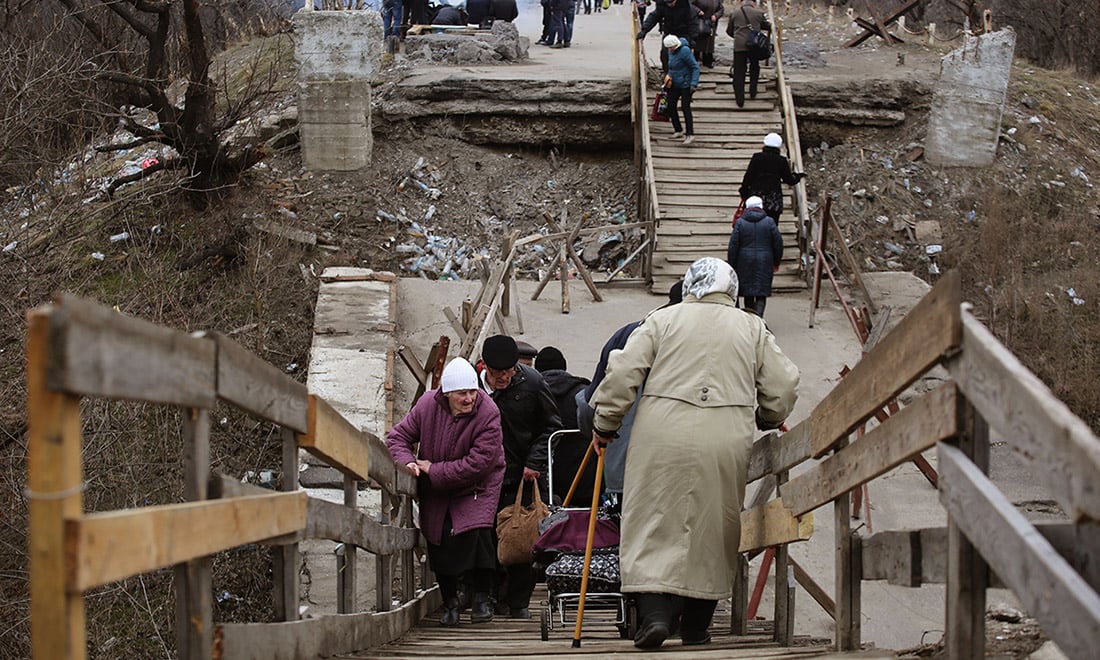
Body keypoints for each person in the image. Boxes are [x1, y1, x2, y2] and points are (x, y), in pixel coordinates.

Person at [589, 257, 799, 649]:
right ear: (731, 291)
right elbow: (783, 386)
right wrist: (768, 416)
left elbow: (621, 374)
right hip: (724, 438)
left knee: (651, 517)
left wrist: (606, 425)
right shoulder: (752, 327)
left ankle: (654, 616)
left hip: (660, 434)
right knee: (713, 527)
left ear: (690, 286)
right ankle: (697, 628)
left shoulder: (661, 320)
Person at [385, 357, 505, 627]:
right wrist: (407, 462)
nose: (469, 398)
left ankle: (482, 598)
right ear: (447, 393)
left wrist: (434, 469)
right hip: (437, 486)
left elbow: (479, 463)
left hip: (477, 484)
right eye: (462, 393)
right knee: (438, 535)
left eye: (472, 391)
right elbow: (397, 437)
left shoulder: (488, 412)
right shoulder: (428, 405)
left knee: (477, 531)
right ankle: (450, 600)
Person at [575, 281, 682, 502]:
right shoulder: (716, 339)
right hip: (684, 472)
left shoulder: (630, 333)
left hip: (626, 466)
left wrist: (600, 431)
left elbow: (591, 404)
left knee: (626, 530)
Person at [481, 334, 563, 619]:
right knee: (486, 538)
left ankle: (518, 603)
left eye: (509, 371)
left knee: (522, 537)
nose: (503, 378)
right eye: (496, 373)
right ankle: (489, 597)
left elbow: (551, 427)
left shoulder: (533, 383)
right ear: (485, 368)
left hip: (524, 475)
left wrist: (535, 461)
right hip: (484, 476)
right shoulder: (472, 387)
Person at [534, 346, 595, 505]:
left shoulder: (531, 394)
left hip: (543, 485)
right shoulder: (584, 394)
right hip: (585, 482)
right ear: (564, 367)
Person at [727, 196, 783, 317]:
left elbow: (733, 245)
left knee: (748, 292)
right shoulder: (769, 222)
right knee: (761, 292)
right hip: (765, 260)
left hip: (744, 260)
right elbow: (778, 243)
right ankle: (759, 318)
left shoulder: (740, 223)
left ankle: (750, 319)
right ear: (761, 207)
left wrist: (732, 264)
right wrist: (776, 262)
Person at [739, 132, 804, 222]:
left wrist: (744, 190)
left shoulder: (757, 157)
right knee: (771, 225)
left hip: (756, 196)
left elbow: (749, 176)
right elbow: (789, 180)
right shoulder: (781, 161)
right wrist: (798, 176)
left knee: (752, 222)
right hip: (773, 199)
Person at [726, 0, 770, 108]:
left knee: (739, 72)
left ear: (742, 3)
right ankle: (753, 91)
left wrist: (737, 36)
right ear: (753, 3)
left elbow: (729, 30)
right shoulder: (759, 13)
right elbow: (766, 26)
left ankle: (740, 100)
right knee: (754, 67)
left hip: (739, 46)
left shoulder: (735, 13)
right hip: (754, 45)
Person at [636, 0, 699, 73]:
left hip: (683, 33)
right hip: (669, 32)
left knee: (683, 54)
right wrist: (644, 30)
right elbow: (654, 17)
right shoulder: (662, 4)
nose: (669, 4)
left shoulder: (686, 6)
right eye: (667, 3)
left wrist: (693, 38)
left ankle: (683, 76)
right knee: (665, 54)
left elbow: (693, 23)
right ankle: (667, 74)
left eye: (671, 2)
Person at [663, 34, 700, 146]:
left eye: (671, 48)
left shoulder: (685, 51)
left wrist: (693, 83)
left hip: (686, 84)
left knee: (685, 108)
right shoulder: (671, 51)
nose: (670, 50)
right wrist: (667, 76)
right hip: (674, 83)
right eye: (669, 48)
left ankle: (690, 134)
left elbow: (695, 67)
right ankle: (678, 129)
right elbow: (671, 66)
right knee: (670, 106)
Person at [691, 0, 723, 68]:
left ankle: (708, 61)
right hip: (699, 22)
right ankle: (695, 60)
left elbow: (721, 9)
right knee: (697, 42)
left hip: (711, 23)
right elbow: (691, 5)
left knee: (709, 43)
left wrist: (716, 15)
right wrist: (698, 11)